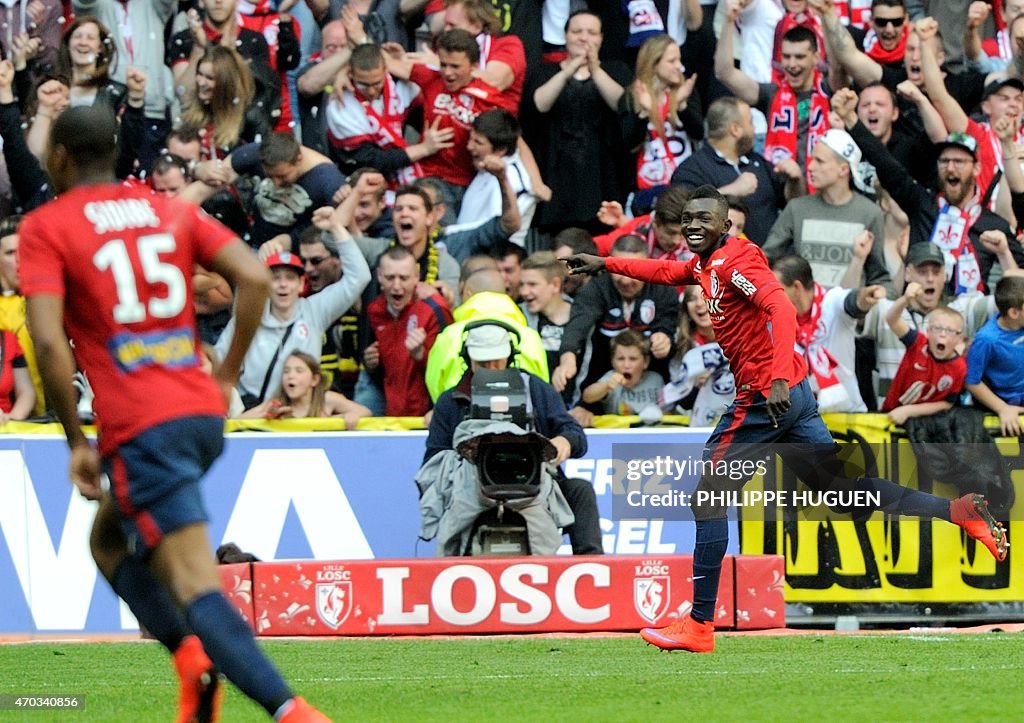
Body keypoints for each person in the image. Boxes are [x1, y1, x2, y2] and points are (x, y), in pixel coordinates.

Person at [565, 184, 1008, 653]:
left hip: (764, 397)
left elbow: (778, 306)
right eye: (688, 219)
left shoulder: (738, 261)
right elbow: (668, 270)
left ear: (725, 224)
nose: (693, 225)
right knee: (847, 496)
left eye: (703, 218)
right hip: (793, 396)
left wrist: (774, 377)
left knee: (709, 498)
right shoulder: (705, 262)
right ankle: (959, 513)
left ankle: (697, 623)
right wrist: (605, 262)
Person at [19, 106, 328, 720]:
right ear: (117, 153)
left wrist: (77, 441)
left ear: (57, 157)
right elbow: (254, 277)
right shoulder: (168, 210)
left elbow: (50, 343)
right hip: (198, 413)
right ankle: (191, 659)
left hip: (142, 424)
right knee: (109, 541)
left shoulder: (48, 226)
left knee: (194, 584)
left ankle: (291, 709)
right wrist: (228, 375)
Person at [424, 323, 603, 555]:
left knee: (580, 490)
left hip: (534, 483)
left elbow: (575, 433)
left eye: (497, 361)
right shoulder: (451, 401)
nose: (491, 368)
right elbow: (433, 460)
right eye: (482, 363)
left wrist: (564, 441)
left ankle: (592, 568)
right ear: (467, 360)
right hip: (472, 487)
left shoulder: (536, 390)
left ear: (511, 356)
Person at [216, 193, 371, 408]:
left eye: (290, 278)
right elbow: (218, 362)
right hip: (253, 417)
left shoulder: (315, 311)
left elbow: (359, 277)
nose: (282, 285)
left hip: (298, 418)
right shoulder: (248, 317)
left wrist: (336, 227)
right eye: (275, 278)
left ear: (301, 285)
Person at [763, 128, 890, 289]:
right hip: (803, 312)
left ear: (843, 169)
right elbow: (764, 258)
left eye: (819, 161)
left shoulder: (870, 213)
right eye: (812, 159)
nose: (810, 167)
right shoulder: (796, 208)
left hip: (850, 311)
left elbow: (878, 276)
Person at [364, 245, 452, 416]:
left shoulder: (435, 309)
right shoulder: (375, 310)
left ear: (416, 277)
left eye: (403, 278)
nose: (396, 286)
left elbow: (451, 367)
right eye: (390, 278)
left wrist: (422, 354)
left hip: (428, 416)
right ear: (379, 277)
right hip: (392, 414)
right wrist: (370, 363)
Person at [240, 351, 371, 427]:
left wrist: (344, 417)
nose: (291, 376)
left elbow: (365, 412)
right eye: (286, 371)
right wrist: (266, 416)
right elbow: (238, 421)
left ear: (314, 380)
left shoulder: (327, 399)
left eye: (299, 371)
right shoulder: (276, 403)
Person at [966, 275, 1024, 437]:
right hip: (1006, 402)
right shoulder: (987, 339)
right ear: (1014, 312)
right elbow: (971, 382)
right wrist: (1002, 408)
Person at [581, 329, 665, 415]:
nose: (626, 365)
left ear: (645, 362)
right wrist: (606, 386)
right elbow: (587, 397)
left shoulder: (656, 380)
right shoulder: (611, 378)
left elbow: (668, 411)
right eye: (621, 359)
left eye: (633, 359)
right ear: (612, 362)